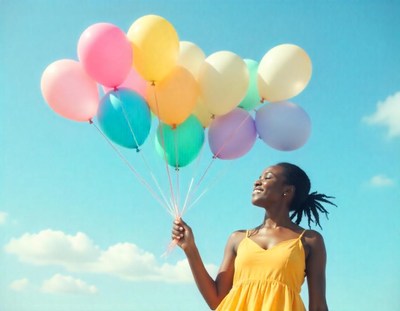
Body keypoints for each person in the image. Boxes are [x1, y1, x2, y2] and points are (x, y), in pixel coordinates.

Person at [172, 162, 336, 311]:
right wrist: (190, 248)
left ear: (287, 191)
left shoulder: (310, 240)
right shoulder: (238, 238)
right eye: (259, 177)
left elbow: (318, 306)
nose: (257, 182)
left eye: (268, 177)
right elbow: (217, 301)